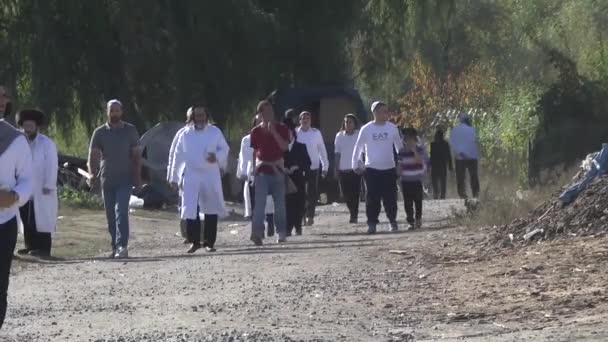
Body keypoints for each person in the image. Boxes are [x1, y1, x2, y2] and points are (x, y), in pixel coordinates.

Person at [168, 105, 229, 253]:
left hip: (210, 173)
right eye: (197, 116)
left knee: (211, 207)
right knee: (190, 207)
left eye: (202, 115)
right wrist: (173, 177)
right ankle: (194, 241)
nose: (200, 118)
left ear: (206, 116)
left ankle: (209, 242)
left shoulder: (215, 132)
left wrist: (217, 157)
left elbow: (224, 149)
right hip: (192, 173)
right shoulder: (185, 134)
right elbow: (177, 156)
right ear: (192, 117)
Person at [88, 99, 142, 259]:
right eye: (112, 111)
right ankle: (115, 245)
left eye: (117, 110)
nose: (115, 114)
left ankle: (122, 246)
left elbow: (137, 157)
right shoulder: (100, 132)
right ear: (107, 112)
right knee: (110, 214)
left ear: (122, 112)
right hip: (107, 179)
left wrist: (137, 179)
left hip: (125, 179)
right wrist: (91, 173)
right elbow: (93, 156)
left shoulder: (130, 131)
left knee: (121, 211)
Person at [0, 85, 33, 330]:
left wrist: (13, 197)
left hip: (4, 222)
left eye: (4, 96)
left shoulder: (16, 139)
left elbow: (27, 179)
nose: (2, 100)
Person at [352, 101, 403, 234]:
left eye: (387, 111)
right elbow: (358, 147)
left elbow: (399, 148)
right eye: (383, 111)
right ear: (375, 112)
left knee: (390, 197)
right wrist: (355, 164)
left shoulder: (392, 128)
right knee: (372, 198)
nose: (386, 114)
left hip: (389, 168)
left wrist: (400, 164)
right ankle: (372, 223)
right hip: (371, 169)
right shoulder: (366, 129)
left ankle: (392, 221)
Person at [15, 109, 58, 257]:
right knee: (25, 217)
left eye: (31, 125)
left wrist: (49, 185)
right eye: (25, 125)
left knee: (41, 218)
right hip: (23, 188)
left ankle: (43, 248)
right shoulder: (18, 142)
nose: (28, 128)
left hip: (42, 189)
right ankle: (30, 246)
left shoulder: (46, 143)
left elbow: (52, 165)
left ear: (36, 126)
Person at [249, 100, 289, 245]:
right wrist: (254, 169)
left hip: (277, 170)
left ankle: (281, 232)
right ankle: (257, 233)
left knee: (280, 205)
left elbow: (285, 147)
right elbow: (255, 152)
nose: (268, 115)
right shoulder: (255, 131)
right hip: (262, 172)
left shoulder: (282, 128)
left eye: (270, 111)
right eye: (264, 112)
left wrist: (274, 132)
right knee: (259, 205)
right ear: (259, 114)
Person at [236, 115, 276, 237]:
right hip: (253, 174)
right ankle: (259, 229)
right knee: (255, 202)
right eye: (257, 122)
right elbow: (243, 157)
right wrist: (243, 172)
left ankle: (270, 221)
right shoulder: (246, 140)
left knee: (268, 201)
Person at [296, 111, 328, 226]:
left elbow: (322, 150)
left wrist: (325, 165)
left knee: (311, 193)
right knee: (300, 194)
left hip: (313, 167)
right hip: (298, 168)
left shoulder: (316, 133)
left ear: (310, 121)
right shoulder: (295, 133)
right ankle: (301, 216)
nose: (305, 120)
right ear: (300, 120)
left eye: (307, 118)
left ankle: (310, 215)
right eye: (303, 118)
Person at [398, 128, 429, 230]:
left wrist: (414, 151)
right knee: (408, 203)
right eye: (407, 139)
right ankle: (410, 221)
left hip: (416, 180)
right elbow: (399, 166)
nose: (409, 142)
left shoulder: (420, 150)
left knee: (418, 201)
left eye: (411, 139)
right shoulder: (401, 152)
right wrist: (398, 174)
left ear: (415, 140)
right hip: (406, 181)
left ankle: (418, 219)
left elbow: (420, 162)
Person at [284, 119, 311, 236]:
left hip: (298, 179)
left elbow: (307, 162)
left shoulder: (301, 146)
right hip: (285, 180)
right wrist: (284, 169)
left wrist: (297, 167)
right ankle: (288, 228)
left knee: (299, 204)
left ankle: (298, 226)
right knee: (287, 205)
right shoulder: (281, 148)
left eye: (288, 132)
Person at [334, 114, 362, 223]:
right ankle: (352, 211)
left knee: (355, 193)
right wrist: (336, 168)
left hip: (355, 169)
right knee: (346, 194)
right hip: (343, 169)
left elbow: (363, 150)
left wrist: (362, 165)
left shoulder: (358, 135)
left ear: (354, 124)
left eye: (350, 122)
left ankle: (354, 214)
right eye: (346, 122)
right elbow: (337, 153)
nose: (348, 124)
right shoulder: (339, 136)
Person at [449, 112, 480, 199]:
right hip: (472, 156)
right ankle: (475, 194)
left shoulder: (455, 130)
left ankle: (462, 195)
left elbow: (452, 144)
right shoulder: (472, 130)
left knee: (460, 177)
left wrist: (459, 152)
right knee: (473, 176)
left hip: (460, 156)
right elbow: (475, 142)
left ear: (460, 120)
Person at [430, 127, 453, 199]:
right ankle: (441, 194)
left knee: (436, 180)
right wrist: (450, 165)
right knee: (442, 180)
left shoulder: (433, 144)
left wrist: (430, 164)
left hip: (436, 165)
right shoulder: (445, 144)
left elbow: (431, 155)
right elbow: (449, 155)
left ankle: (437, 193)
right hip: (442, 165)